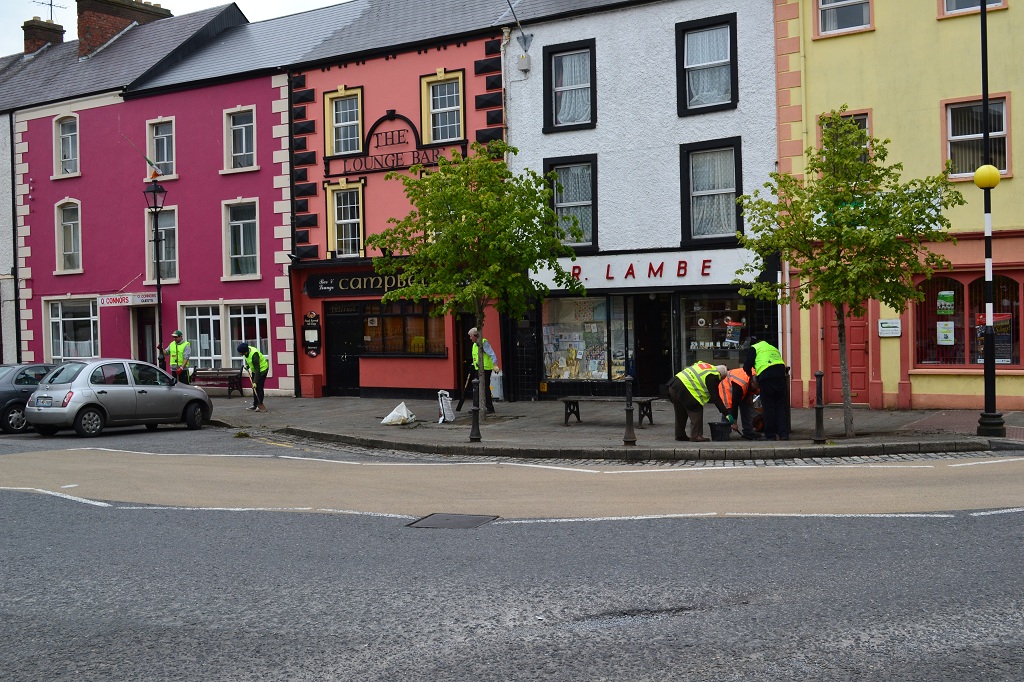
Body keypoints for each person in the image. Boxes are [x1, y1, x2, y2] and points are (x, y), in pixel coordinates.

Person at [667, 362, 730, 442]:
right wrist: (726, 413)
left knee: (681, 412)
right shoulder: (713, 376)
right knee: (696, 408)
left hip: (673, 385)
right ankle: (696, 435)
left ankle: (680, 435)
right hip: (684, 388)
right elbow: (716, 398)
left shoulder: (706, 366)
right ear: (721, 375)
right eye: (722, 379)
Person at [744, 337, 788, 440]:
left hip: (766, 377)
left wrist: (751, 377)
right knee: (780, 406)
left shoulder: (754, 348)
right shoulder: (773, 348)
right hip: (781, 376)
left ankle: (770, 435)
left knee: (769, 407)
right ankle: (784, 434)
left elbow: (746, 366)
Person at [718, 367, 760, 440]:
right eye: (755, 387)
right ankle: (724, 432)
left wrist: (750, 394)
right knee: (729, 408)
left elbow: (752, 387)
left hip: (738, 383)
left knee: (747, 407)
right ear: (752, 383)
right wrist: (734, 422)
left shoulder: (755, 376)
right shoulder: (740, 385)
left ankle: (748, 432)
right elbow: (735, 404)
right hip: (726, 385)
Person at [467, 327, 499, 414]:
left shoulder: (483, 343)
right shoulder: (474, 345)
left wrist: (495, 365)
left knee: (484, 388)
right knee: (477, 388)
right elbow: (476, 357)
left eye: (471, 336)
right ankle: (476, 407)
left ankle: (489, 408)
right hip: (478, 368)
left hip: (485, 369)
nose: (470, 338)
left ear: (475, 335)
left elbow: (492, 354)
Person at [237, 342, 269, 412]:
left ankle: (260, 404)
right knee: (254, 388)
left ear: (244, 351)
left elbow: (257, 370)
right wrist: (248, 366)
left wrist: (255, 382)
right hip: (255, 370)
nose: (240, 354)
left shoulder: (254, 355)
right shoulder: (246, 352)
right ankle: (255, 404)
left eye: (240, 352)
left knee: (259, 387)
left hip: (262, 370)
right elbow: (250, 361)